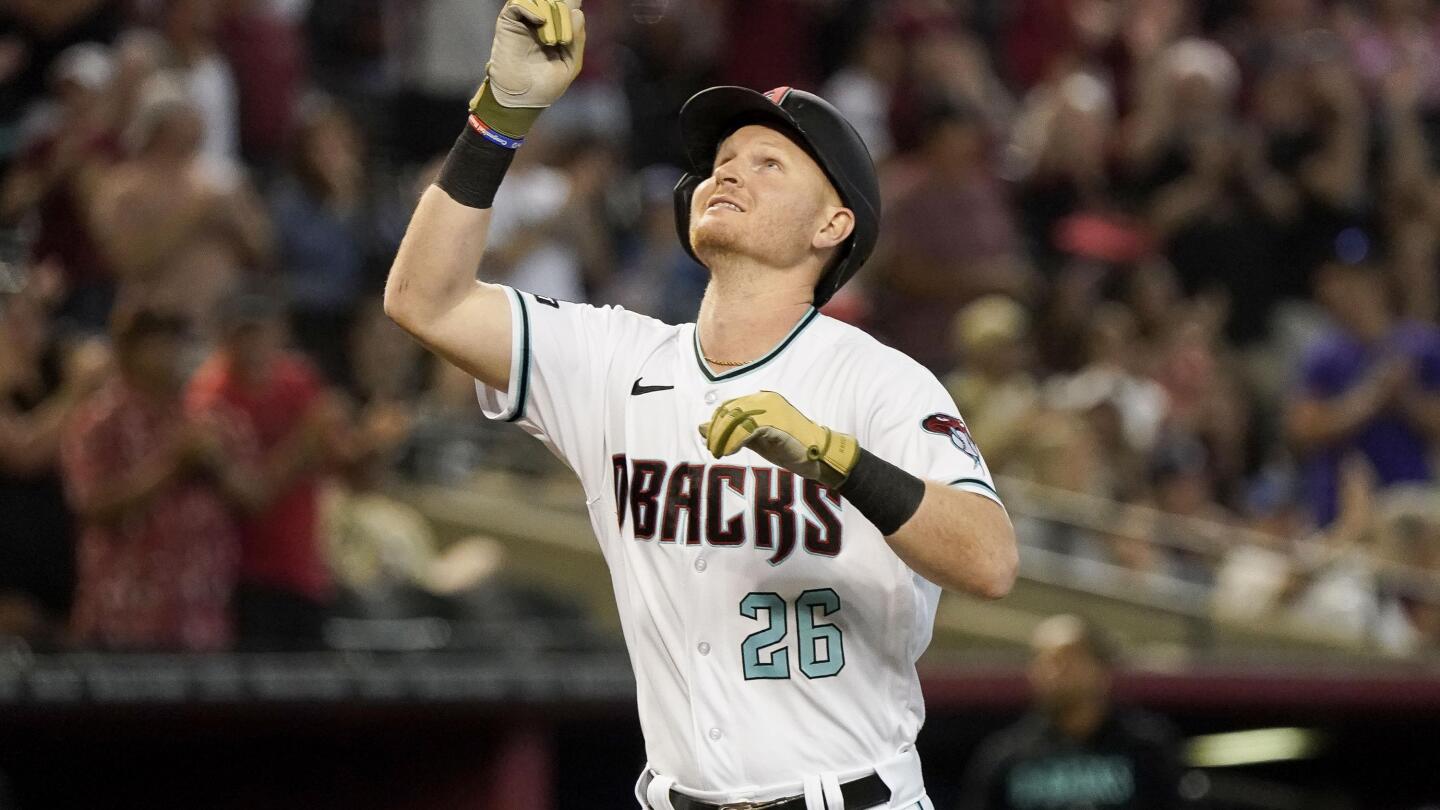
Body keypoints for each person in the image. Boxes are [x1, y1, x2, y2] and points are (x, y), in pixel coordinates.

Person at [383, 2, 1017, 807]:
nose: (728, 170)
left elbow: (991, 561)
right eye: (724, 157)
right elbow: (423, 301)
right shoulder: (616, 361)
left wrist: (835, 457)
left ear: (834, 223)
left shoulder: (878, 383)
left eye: (768, 163)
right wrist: (502, 114)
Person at [60, 307, 262, 651]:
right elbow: (91, 506)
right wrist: (172, 466)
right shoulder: (99, 423)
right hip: (120, 621)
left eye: (177, 340)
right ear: (127, 351)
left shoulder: (216, 422)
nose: (171, 352)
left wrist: (216, 467)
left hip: (200, 621)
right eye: (157, 342)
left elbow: (254, 500)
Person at [185, 290, 342, 650]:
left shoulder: (297, 381)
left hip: (302, 571)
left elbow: (340, 463)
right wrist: (304, 441)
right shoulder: (208, 397)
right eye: (244, 333)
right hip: (244, 578)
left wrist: (373, 443)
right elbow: (250, 497)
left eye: (262, 332)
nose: (254, 345)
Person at [957, 615, 1185, 810]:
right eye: (1041, 661)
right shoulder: (1005, 756)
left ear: (1101, 670)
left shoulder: (1145, 747)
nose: (1051, 673)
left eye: (1064, 661)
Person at [1286, 249, 1440, 527]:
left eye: (1358, 282)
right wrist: (1369, 399)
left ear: (1379, 283)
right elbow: (1302, 429)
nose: (1350, 294)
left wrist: (1406, 399)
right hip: (1337, 511)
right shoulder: (1323, 354)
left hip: (1411, 504)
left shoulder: (1423, 345)